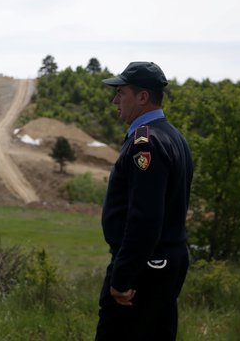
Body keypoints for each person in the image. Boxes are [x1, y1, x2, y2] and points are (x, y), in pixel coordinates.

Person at [95, 62, 194, 341]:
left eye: (121, 93)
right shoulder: (174, 136)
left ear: (142, 97)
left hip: (146, 268)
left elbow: (145, 218)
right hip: (164, 261)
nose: (115, 100)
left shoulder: (146, 143)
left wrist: (122, 277)